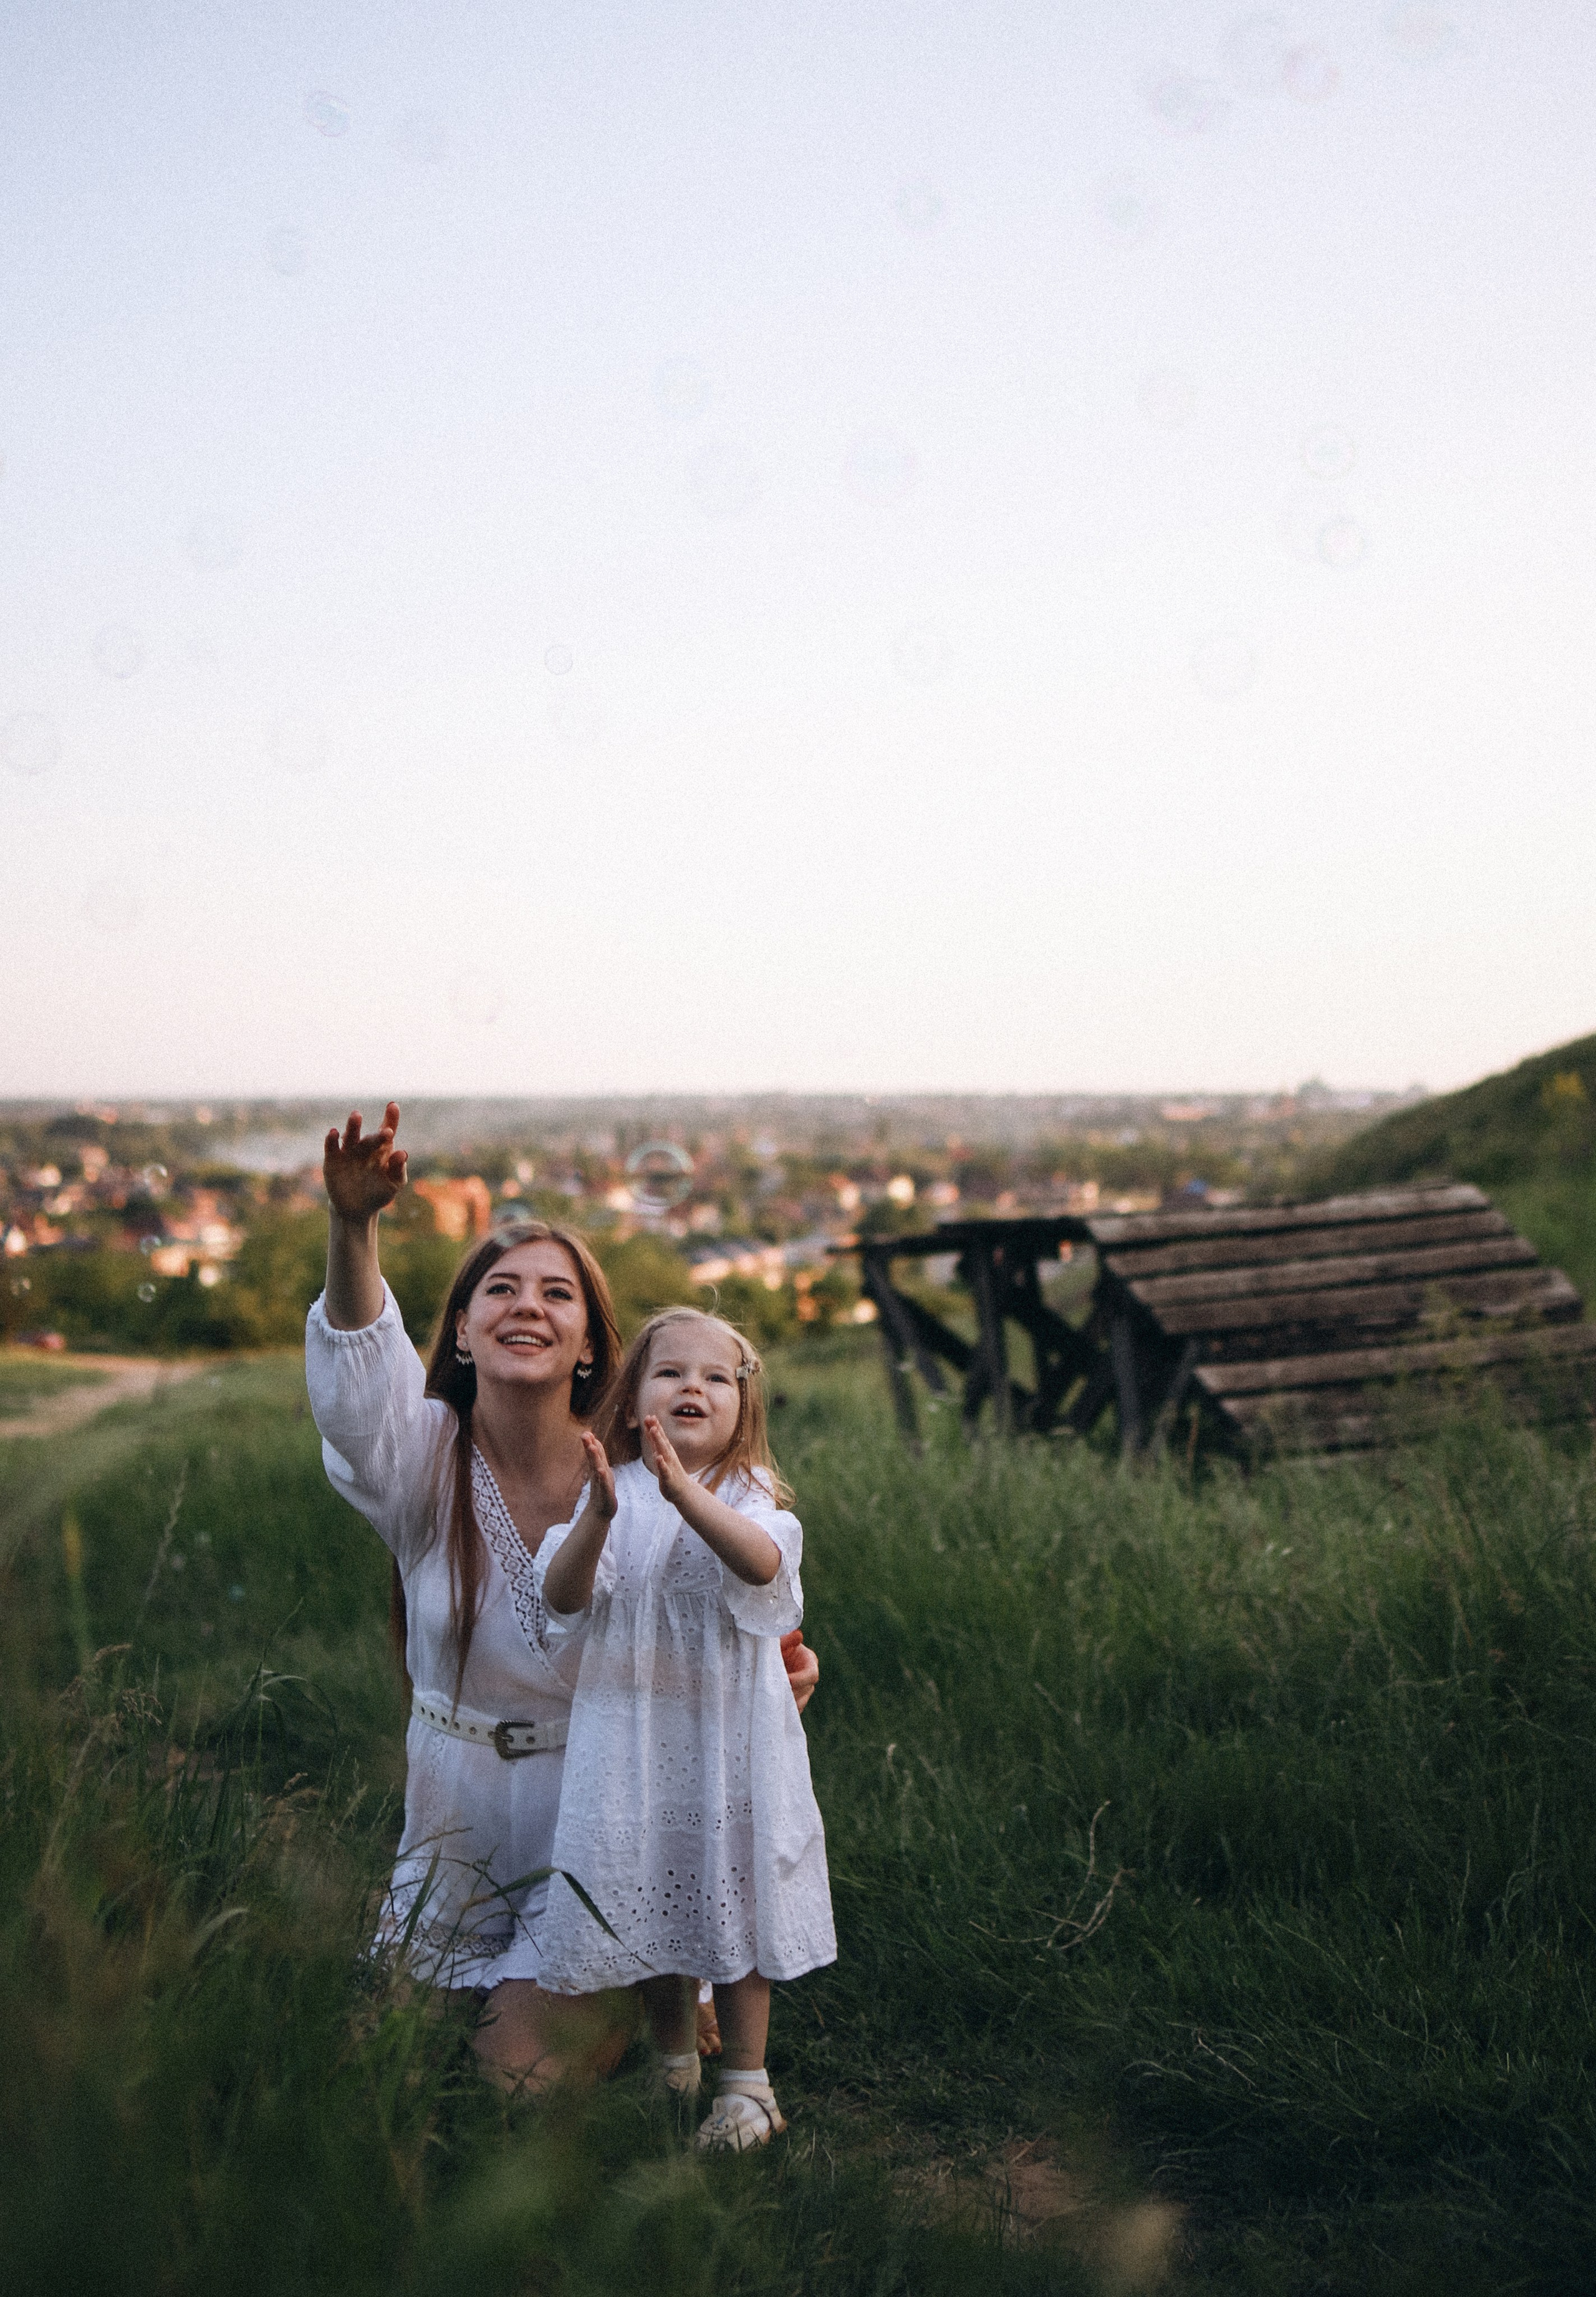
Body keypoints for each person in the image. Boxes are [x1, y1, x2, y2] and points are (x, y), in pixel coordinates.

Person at [305, 1104, 819, 2090]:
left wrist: (777, 1675)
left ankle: (661, 1981)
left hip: (602, 1825)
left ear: (593, 1345)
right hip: (452, 1830)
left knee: (517, 2090)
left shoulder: (650, 1477)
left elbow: (745, 1601)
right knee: (381, 2076)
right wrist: (355, 1227)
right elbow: (358, 1385)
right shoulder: (422, 1462)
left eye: (557, 1293)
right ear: (462, 1328)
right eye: (499, 1289)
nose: (526, 1305)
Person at [537, 1308, 837, 2150]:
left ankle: (749, 2088)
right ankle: (676, 2064)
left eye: (716, 1377)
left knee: (735, 1901)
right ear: (633, 1402)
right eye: (671, 1374)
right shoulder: (608, 1496)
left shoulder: (754, 1501)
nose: (694, 1388)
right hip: (633, 1748)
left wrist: (684, 1495)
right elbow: (560, 1598)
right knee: (656, 1898)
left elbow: (764, 1567)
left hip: (728, 1753)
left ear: (746, 1407)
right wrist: (597, 1518)